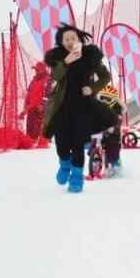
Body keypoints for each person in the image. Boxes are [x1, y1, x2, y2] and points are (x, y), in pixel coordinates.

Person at [42, 25, 117, 193]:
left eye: (73, 38)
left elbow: (105, 76)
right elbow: (55, 76)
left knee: (77, 143)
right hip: (61, 107)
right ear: (61, 42)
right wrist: (66, 62)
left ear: (79, 40)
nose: (70, 42)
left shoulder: (90, 56)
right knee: (61, 141)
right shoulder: (58, 58)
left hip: (83, 107)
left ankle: (76, 177)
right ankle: (64, 164)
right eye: (66, 39)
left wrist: (93, 88)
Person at [94, 84, 124, 177]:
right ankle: (95, 163)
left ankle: (115, 166)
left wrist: (114, 127)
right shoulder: (96, 108)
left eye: (107, 99)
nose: (105, 101)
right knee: (92, 144)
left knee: (113, 149)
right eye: (102, 98)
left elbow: (118, 120)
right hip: (99, 132)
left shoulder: (117, 109)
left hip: (112, 135)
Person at [20, 61, 49, 141]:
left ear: (43, 70)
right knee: (30, 129)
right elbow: (29, 94)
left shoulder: (48, 79)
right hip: (31, 108)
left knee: (38, 128)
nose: (36, 71)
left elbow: (49, 94)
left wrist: (43, 105)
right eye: (36, 70)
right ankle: (30, 141)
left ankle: (39, 142)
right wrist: (25, 108)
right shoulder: (33, 80)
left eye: (38, 69)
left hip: (40, 108)